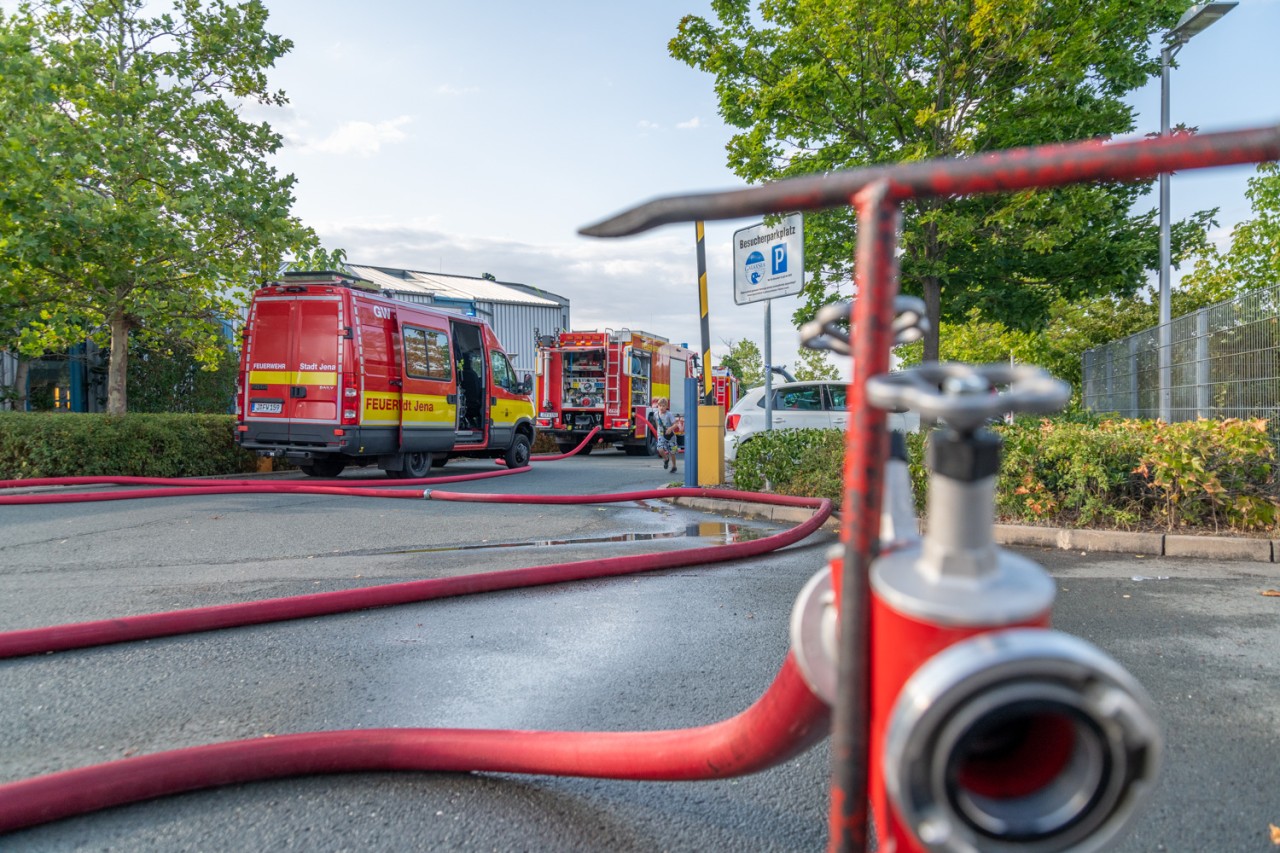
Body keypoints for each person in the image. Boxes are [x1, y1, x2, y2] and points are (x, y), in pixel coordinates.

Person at [653, 397, 679, 473]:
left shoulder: (669, 414)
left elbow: (676, 424)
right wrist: (658, 432)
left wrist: (670, 428)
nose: (661, 407)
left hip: (670, 436)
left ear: (666, 407)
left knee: (672, 452)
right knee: (659, 449)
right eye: (660, 406)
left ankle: (674, 466)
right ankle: (666, 459)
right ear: (658, 406)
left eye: (663, 406)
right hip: (661, 435)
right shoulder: (656, 414)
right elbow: (657, 423)